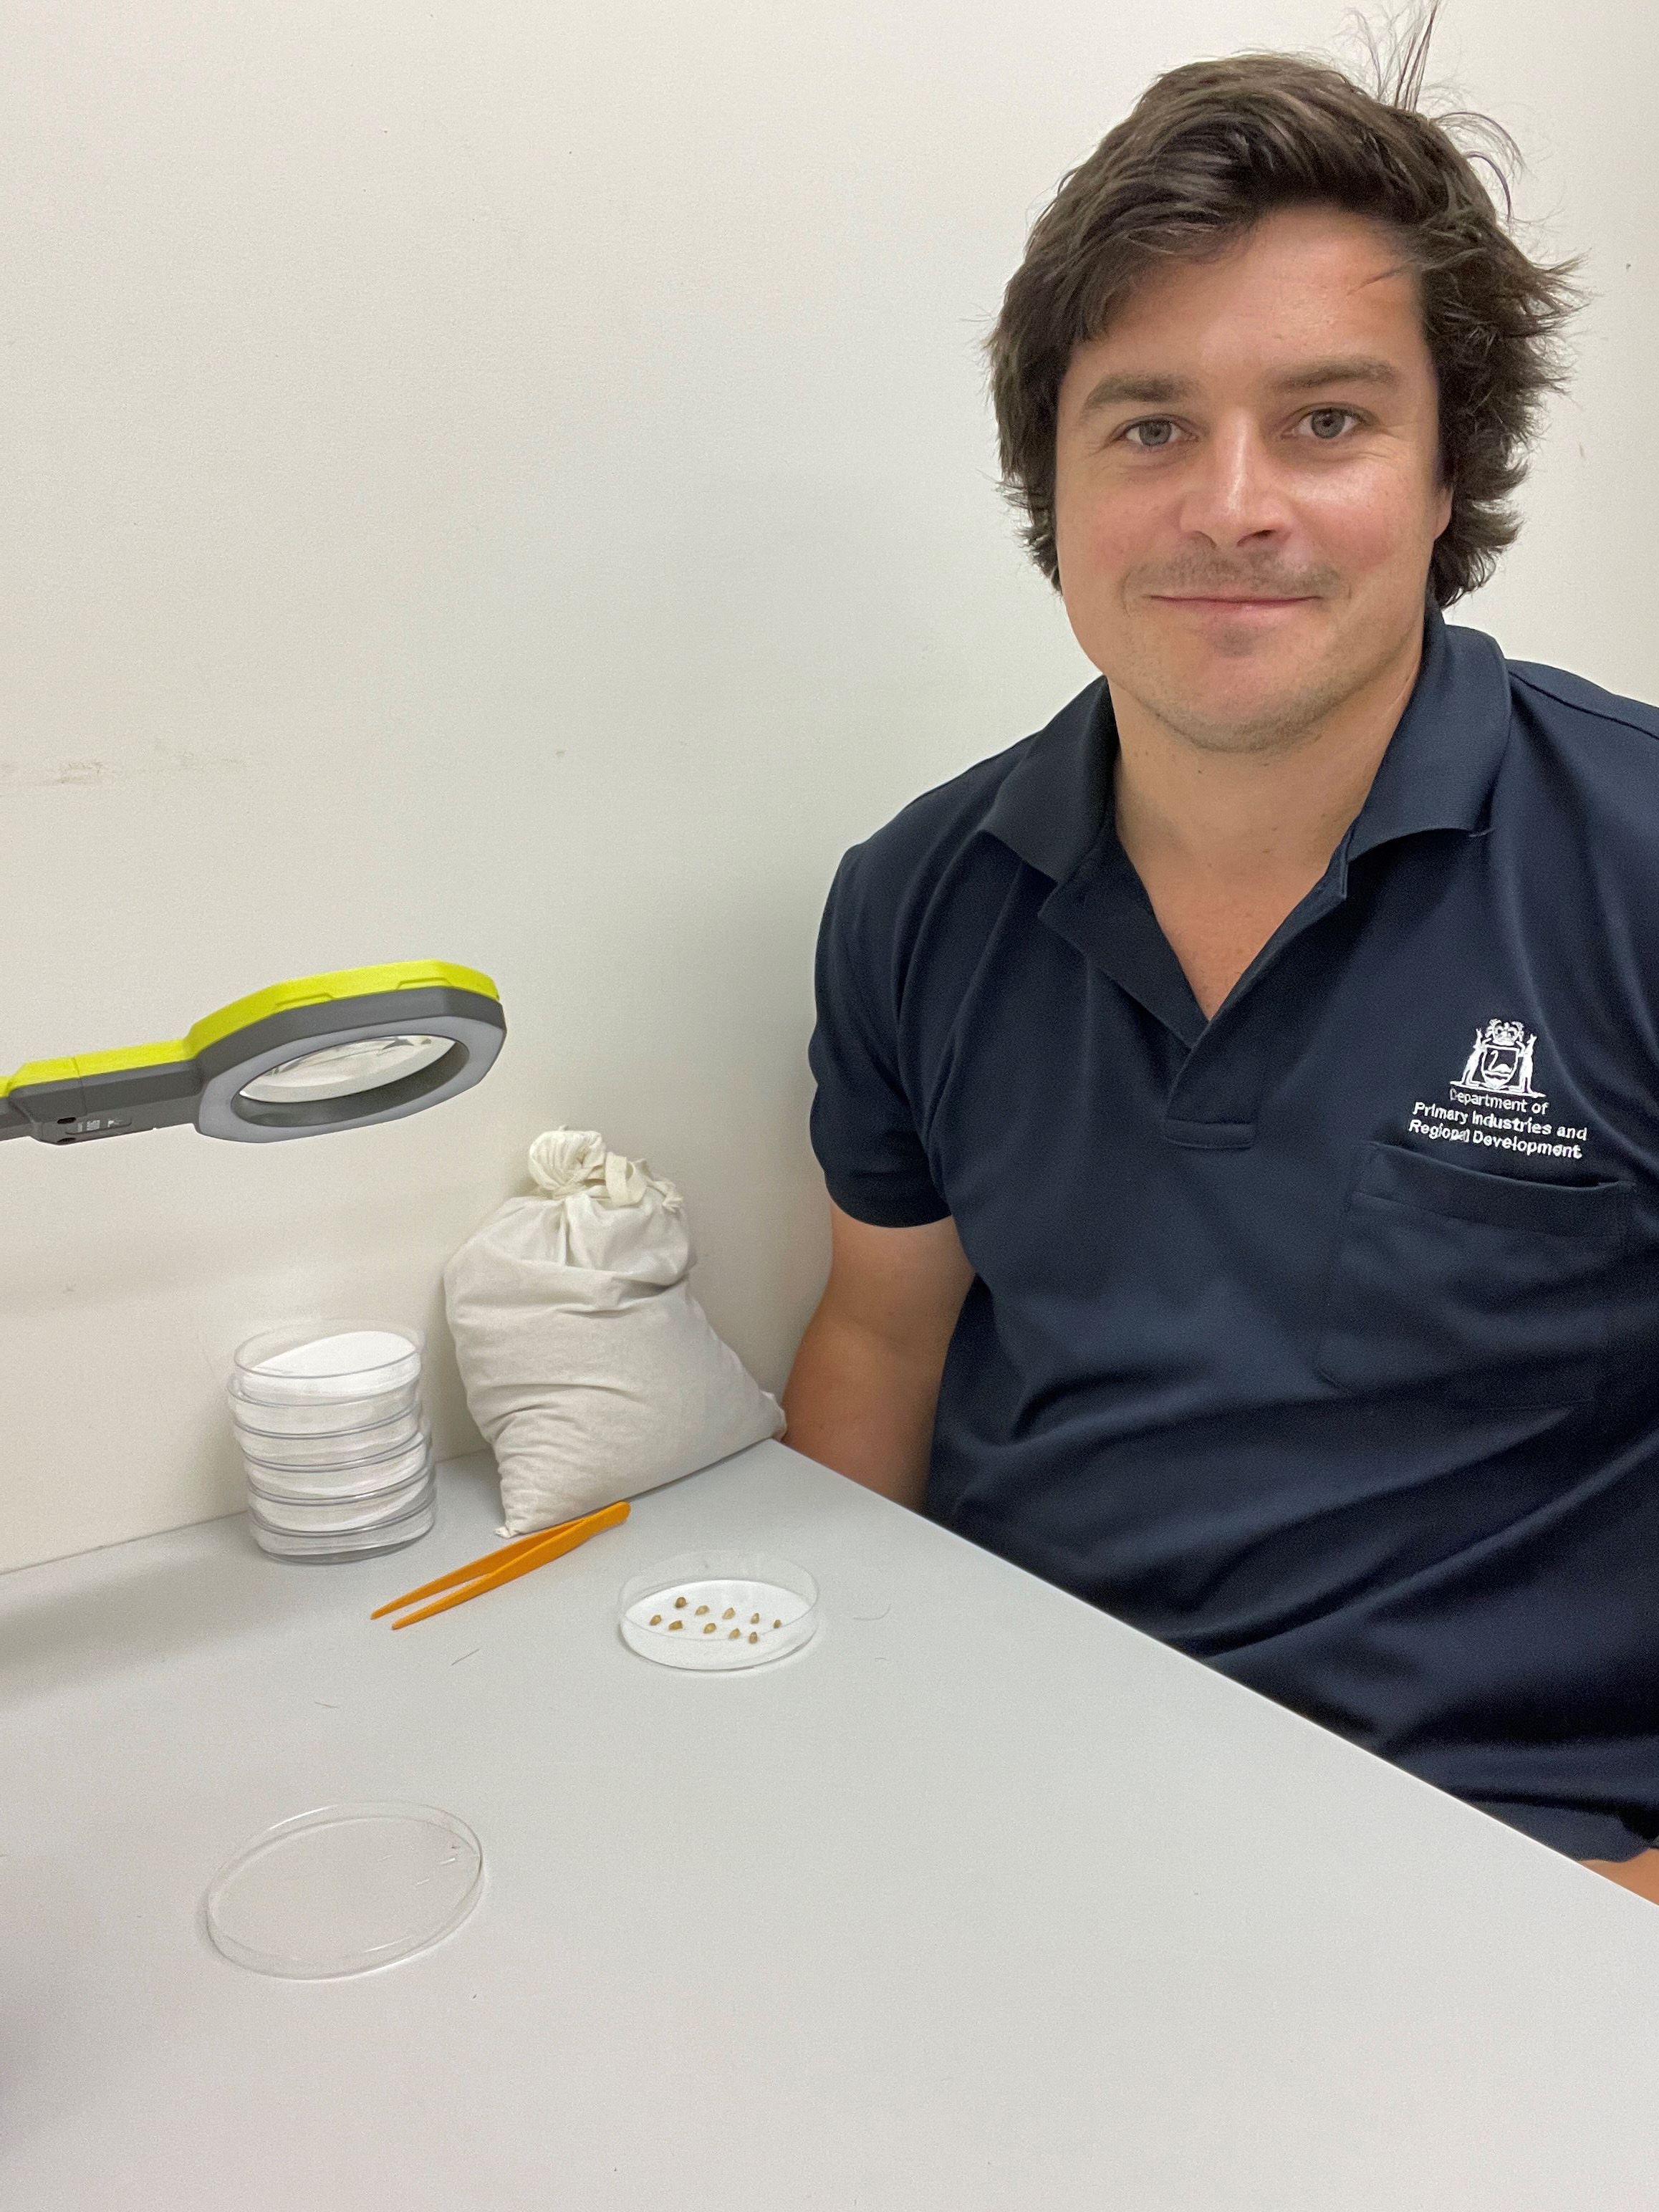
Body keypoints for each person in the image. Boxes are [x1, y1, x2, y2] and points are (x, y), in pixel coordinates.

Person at [782, 10, 1659, 1905]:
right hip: (1004, 1807)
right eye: (1150, 426)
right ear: (1056, 492)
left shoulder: (1634, 866)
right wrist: (814, 1731)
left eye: (1327, 422)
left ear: (1445, 478)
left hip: (1510, 1870)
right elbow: (879, 1338)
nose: (1231, 504)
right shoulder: (915, 898)